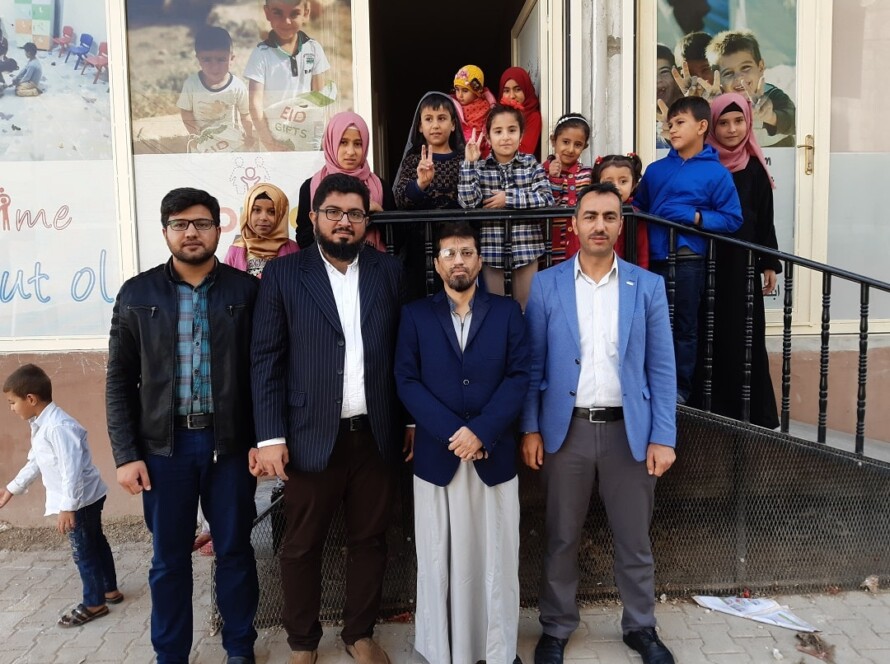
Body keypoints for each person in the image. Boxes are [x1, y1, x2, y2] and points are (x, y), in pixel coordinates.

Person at [520, 183, 678, 664]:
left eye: (609, 217)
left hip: (629, 434)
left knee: (634, 538)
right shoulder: (546, 285)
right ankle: (556, 627)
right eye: (590, 216)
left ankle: (641, 627)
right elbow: (533, 364)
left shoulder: (646, 286)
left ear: (620, 225)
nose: (599, 226)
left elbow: (662, 368)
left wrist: (663, 436)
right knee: (561, 537)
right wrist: (530, 427)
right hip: (564, 432)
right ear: (574, 224)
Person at [251, 173, 405, 664]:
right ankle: (302, 642)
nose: (345, 222)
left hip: (375, 434)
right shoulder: (284, 274)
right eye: (334, 212)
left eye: (355, 214)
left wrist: (408, 422)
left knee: (370, 540)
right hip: (308, 436)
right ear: (314, 217)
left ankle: (359, 633)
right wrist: (270, 436)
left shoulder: (389, 271)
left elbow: (405, 352)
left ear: (366, 221)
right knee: (300, 546)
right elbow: (266, 359)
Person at [106, 187, 259, 664]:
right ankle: (170, 654)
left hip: (229, 445)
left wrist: (262, 440)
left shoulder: (246, 292)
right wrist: (126, 455)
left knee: (234, 551)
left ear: (218, 228)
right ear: (165, 231)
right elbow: (119, 380)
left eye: (201, 223)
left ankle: (239, 648)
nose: (191, 232)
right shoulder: (138, 294)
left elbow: (264, 372)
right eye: (180, 224)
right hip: (163, 449)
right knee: (168, 560)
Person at [394, 222, 529, 664]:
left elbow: (519, 377)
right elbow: (406, 381)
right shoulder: (415, 314)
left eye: (467, 252)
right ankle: (442, 649)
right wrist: (456, 434)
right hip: (440, 456)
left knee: (496, 559)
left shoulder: (507, 312)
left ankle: (497, 649)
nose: (459, 261)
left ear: (479, 260)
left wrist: (482, 432)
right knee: (438, 560)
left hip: (492, 454)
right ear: (437, 264)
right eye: (450, 253)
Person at [634, 95, 743, 404]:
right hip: (651, 259)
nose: (672, 129)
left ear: (702, 126)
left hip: (688, 261)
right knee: (648, 324)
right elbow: (637, 207)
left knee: (684, 327)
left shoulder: (717, 173)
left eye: (680, 122)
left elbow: (733, 219)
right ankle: (645, 383)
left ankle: (679, 389)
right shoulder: (655, 170)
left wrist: (695, 217)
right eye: (669, 124)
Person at [2, 364, 123, 628]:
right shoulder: (42, 424)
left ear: (30, 399)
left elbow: (72, 470)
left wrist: (68, 508)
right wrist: (12, 487)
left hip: (80, 500)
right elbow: (36, 461)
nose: (11, 408)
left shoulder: (58, 427)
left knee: (84, 551)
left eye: (12, 402)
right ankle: (109, 589)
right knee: (95, 541)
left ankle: (94, 603)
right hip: (83, 498)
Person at [703, 92, 781, 428]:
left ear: (749, 123)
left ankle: (751, 413)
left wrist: (769, 262)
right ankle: (710, 409)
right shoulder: (705, 164)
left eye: (738, 121)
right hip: (708, 261)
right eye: (723, 122)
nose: (732, 129)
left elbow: (765, 219)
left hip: (743, 264)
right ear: (712, 126)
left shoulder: (754, 167)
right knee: (710, 332)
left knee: (745, 335)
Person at [458, 103, 554, 310]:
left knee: (526, 307)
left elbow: (547, 198)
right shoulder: (480, 167)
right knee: (497, 308)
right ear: (488, 137)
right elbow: (467, 202)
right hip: (492, 248)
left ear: (521, 135)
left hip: (526, 247)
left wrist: (508, 199)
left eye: (512, 130)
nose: (505, 137)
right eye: (498, 131)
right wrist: (469, 163)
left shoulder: (531, 164)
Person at [392, 91, 466, 299]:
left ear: (453, 125)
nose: (435, 125)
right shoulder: (412, 161)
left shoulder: (464, 160)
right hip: (420, 248)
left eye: (442, 118)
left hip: (457, 247)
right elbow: (400, 199)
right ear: (420, 126)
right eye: (428, 119)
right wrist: (420, 184)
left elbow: (474, 199)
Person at [294, 111, 393, 252]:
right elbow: (303, 239)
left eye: (358, 144)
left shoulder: (380, 187)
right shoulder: (310, 187)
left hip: (372, 264)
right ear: (331, 143)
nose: (351, 151)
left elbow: (398, 239)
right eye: (343, 142)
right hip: (324, 265)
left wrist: (379, 213)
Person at [244, 0, 330, 152]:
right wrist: (269, 142)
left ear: (306, 13)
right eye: (278, 13)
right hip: (273, 138)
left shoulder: (314, 49)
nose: (287, 21)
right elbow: (254, 103)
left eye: (294, 14)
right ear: (267, 13)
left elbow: (320, 98)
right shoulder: (261, 54)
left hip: (304, 137)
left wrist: (322, 137)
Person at [707, 29, 796, 147]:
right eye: (728, 73)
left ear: (761, 67)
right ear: (719, 79)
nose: (739, 77)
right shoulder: (715, 102)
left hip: (776, 156)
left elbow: (795, 122)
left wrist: (771, 117)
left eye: (745, 68)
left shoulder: (772, 95)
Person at [178, 26, 253, 152]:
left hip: (232, 145)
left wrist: (249, 135)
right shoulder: (191, 84)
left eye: (221, 59)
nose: (215, 67)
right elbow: (186, 112)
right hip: (203, 146)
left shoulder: (237, 86)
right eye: (207, 59)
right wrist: (195, 136)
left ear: (231, 59)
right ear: (198, 59)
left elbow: (245, 114)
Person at [542, 112, 593, 264]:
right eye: (565, 142)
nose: (571, 149)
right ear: (553, 140)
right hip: (549, 247)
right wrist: (554, 178)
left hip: (580, 247)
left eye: (578, 145)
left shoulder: (588, 174)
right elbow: (547, 204)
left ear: (585, 146)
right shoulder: (539, 172)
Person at [225, 182, 299, 276]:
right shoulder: (235, 250)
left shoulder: (292, 249)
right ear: (247, 212)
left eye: (272, 212)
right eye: (256, 210)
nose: (263, 217)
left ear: (281, 215)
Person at [592, 153, 648, 269]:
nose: (616, 187)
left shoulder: (636, 215)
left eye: (623, 181)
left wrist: (642, 275)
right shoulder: (590, 211)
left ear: (633, 185)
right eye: (609, 182)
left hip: (626, 272)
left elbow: (642, 252)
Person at [451, 64, 497, 155]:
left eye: (465, 91)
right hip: (460, 151)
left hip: (485, 152)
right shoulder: (452, 106)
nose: (460, 95)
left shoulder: (488, 107)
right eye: (457, 89)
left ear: (476, 92)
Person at [500, 66, 542, 159]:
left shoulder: (533, 116)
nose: (512, 96)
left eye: (518, 89)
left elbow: (524, 152)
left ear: (526, 89)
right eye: (506, 91)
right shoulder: (497, 115)